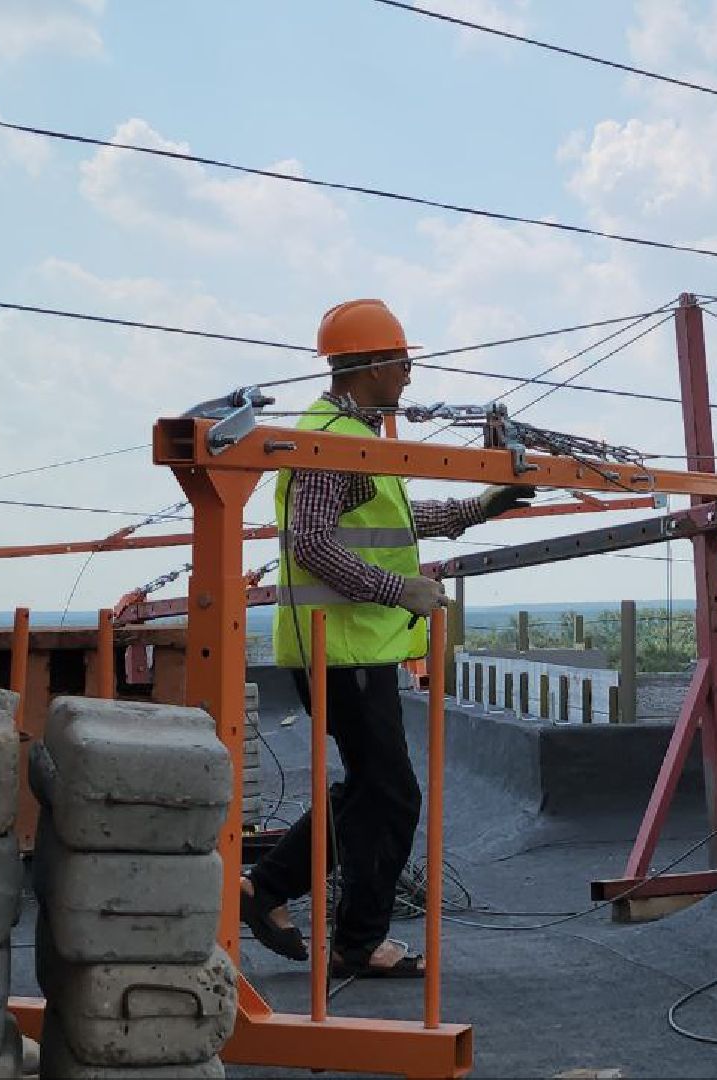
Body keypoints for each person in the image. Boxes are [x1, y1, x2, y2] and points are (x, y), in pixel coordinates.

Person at [242, 298, 533, 978]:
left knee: (370, 789)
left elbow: (392, 521)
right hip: (340, 648)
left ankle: (272, 891)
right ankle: (349, 935)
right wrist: (400, 591)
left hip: (352, 647)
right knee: (391, 793)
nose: (409, 372)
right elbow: (312, 543)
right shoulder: (329, 442)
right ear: (369, 365)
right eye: (401, 360)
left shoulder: (355, 436)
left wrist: (476, 508)